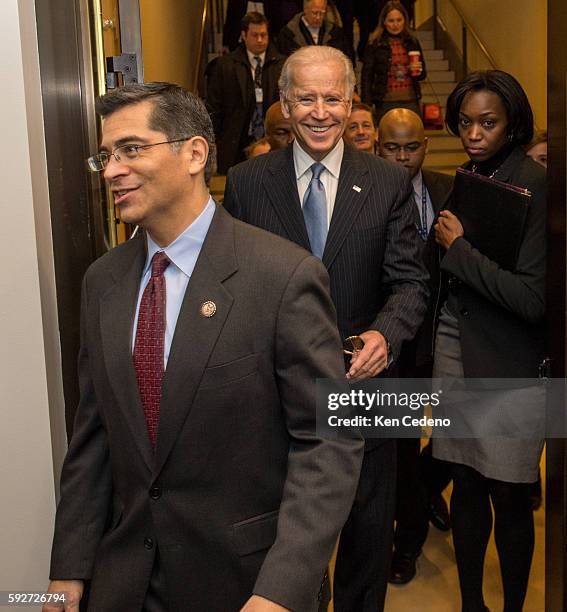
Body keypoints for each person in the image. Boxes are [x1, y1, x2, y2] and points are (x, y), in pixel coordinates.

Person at [43, 82, 364, 612]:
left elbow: (327, 444)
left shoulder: (282, 277)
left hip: (245, 584)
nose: (112, 170)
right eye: (105, 155)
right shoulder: (102, 282)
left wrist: (280, 590)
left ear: (194, 153)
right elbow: (94, 437)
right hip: (125, 581)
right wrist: (69, 570)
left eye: (131, 149)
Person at [223, 45, 428, 612]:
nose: (320, 111)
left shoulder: (387, 182)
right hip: (278, 391)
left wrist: (385, 333)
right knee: (290, 538)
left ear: (350, 100)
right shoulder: (246, 182)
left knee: (366, 535)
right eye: (306, 98)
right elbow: (233, 289)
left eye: (332, 98)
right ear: (285, 105)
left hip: (367, 390)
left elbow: (411, 282)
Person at [432, 70, 546, 612]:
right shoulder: (469, 175)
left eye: (487, 122)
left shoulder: (536, 182)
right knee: (465, 482)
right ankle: (472, 605)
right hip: (456, 344)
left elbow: (531, 299)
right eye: (465, 123)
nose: (473, 134)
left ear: (512, 123)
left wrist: (457, 250)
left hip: (511, 359)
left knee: (509, 491)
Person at [377, 108, 453, 585]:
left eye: (412, 147)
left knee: (456, 436)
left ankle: (427, 491)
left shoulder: (451, 189)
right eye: (392, 148)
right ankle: (407, 540)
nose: (403, 158)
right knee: (401, 446)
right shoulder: (368, 192)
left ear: (427, 145)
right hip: (397, 343)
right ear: (377, 146)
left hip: (447, 338)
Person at [206, 12, 285, 174]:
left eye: (263, 35)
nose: (260, 40)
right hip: (237, 139)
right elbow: (214, 107)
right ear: (244, 35)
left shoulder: (281, 65)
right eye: (255, 35)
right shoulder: (225, 66)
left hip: (271, 137)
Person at [361, 1, 426, 122]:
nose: (395, 24)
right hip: (385, 101)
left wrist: (417, 69)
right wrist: (366, 104)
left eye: (399, 20)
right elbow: (367, 76)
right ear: (384, 22)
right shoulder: (375, 43)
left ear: (404, 20)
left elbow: (423, 75)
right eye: (391, 21)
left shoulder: (412, 42)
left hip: (410, 99)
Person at [276, 0, 347, 57]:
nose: (318, 17)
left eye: (322, 13)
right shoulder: (288, 34)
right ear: (305, 10)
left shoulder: (334, 32)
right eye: (314, 13)